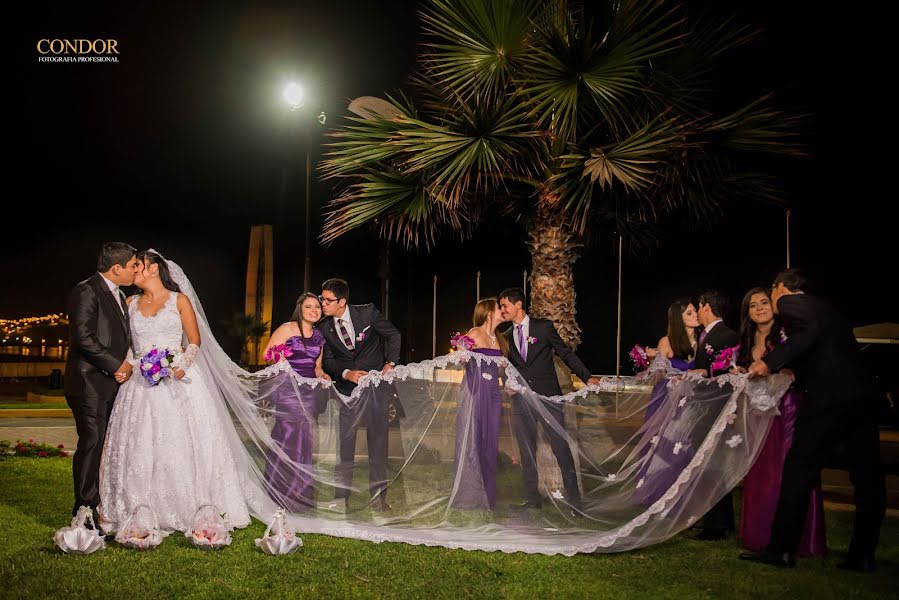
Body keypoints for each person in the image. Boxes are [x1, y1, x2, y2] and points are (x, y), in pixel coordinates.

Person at [99, 250, 256, 532]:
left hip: (176, 379)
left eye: (139, 266)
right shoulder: (130, 302)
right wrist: (129, 365)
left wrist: (180, 365)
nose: (134, 271)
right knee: (141, 444)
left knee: (181, 440)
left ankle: (191, 505)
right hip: (139, 383)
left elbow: (194, 341)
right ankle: (138, 507)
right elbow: (129, 345)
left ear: (155, 268)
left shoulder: (178, 300)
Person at [742, 269, 885, 571]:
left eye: (773, 293)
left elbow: (806, 336)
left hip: (829, 401)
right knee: (867, 479)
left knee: (798, 470)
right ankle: (862, 555)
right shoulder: (831, 310)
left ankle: (780, 550)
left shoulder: (794, 304)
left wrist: (768, 362)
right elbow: (823, 348)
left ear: (781, 288)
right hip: (862, 399)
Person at [734, 287, 825, 557]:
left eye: (764, 302)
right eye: (753, 305)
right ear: (747, 313)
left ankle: (800, 540)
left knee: (790, 470)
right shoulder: (745, 344)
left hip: (788, 410)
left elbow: (808, 365)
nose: (760, 308)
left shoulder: (789, 336)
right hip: (758, 414)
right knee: (762, 472)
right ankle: (760, 535)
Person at [498, 287, 600, 511]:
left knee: (561, 448)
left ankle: (575, 501)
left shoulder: (543, 328)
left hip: (549, 398)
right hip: (522, 402)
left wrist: (587, 377)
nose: (501, 310)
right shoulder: (505, 337)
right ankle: (532, 500)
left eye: (504, 305)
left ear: (518, 305)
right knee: (527, 450)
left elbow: (565, 353)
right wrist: (508, 383)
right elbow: (507, 368)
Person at [64, 242, 138, 527]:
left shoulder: (119, 295)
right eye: (132, 266)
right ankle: (83, 508)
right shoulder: (86, 291)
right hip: (88, 383)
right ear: (116, 268)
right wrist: (117, 364)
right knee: (92, 443)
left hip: (110, 384)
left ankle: (102, 503)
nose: (135, 270)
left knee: (107, 445)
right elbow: (83, 338)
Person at [319, 278, 401, 512]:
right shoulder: (324, 328)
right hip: (346, 393)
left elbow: (394, 335)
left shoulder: (367, 313)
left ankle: (379, 499)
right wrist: (347, 373)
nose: (323, 303)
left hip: (376, 390)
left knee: (378, 444)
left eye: (327, 300)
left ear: (342, 301)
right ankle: (341, 499)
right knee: (345, 446)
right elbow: (328, 361)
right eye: (322, 298)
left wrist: (391, 363)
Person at [262, 293, 330, 511]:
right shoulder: (287, 328)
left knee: (306, 439)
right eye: (309, 306)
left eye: (317, 307)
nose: (314, 310)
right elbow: (267, 354)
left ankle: (300, 494)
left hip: (309, 392)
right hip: (288, 391)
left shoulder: (319, 336)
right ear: (300, 309)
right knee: (289, 437)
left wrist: (324, 376)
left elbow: (317, 367)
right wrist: (280, 360)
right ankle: (280, 492)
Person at [450, 298, 508, 510]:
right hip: (475, 392)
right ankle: (470, 495)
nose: (503, 311)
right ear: (488, 312)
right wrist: (461, 353)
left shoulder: (500, 340)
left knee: (490, 441)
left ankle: (487, 495)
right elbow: (460, 361)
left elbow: (500, 370)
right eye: (498, 308)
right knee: (473, 439)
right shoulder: (474, 333)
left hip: (493, 394)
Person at [691, 290, 739, 541]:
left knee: (716, 464)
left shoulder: (727, 335)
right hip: (705, 406)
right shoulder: (705, 335)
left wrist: (705, 373)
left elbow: (728, 373)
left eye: (698, 307)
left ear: (706, 307)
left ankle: (718, 524)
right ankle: (716, 518)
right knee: (708, 463)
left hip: (718, 407)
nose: (697, 312)